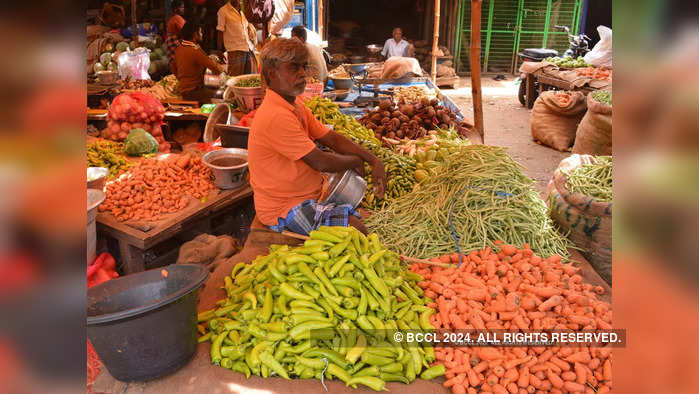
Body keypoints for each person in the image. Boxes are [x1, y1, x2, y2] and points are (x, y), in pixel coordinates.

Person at [248, 38, 387, 235]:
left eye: (304, 67)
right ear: (272, 74)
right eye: (294, 68)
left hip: (308, 195)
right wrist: (354, 161)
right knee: (358, 231)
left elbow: (331, 138)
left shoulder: (294, 105)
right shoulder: (275, 115)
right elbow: (320, 162)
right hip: (285, 208)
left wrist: (372, 160)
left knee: (364, 216)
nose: (303, 73)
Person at [170, 22, 225, 104]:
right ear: (195, 35)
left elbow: (173, 67)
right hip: (194, 92)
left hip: (183, 90)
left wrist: (183, 80)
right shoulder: (195, 50)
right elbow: (216, 69)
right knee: (223, 95)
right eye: (200, 32)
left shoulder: (179, 48)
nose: (202, 34)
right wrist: (221, 67)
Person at [217, 0, 258, 76]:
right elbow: (220, 31)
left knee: (249, 77)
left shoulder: (242, 11)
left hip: (248, 48)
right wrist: (219, 50)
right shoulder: (223, 11)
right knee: (235, 77)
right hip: (235, 49)